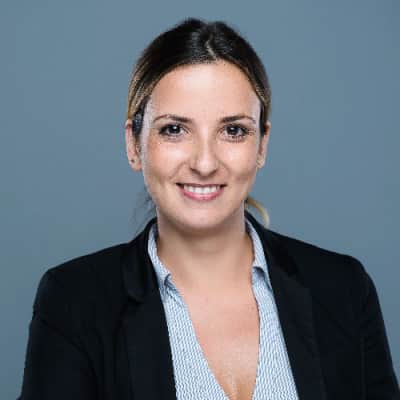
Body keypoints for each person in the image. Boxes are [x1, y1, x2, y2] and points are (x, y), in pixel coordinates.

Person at [18, 17, 399, 400]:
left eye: (233, 130)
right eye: (174, 129)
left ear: (262, 145)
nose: (204, 163)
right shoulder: (74, 303)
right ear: (134, 144)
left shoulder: (344, 289)